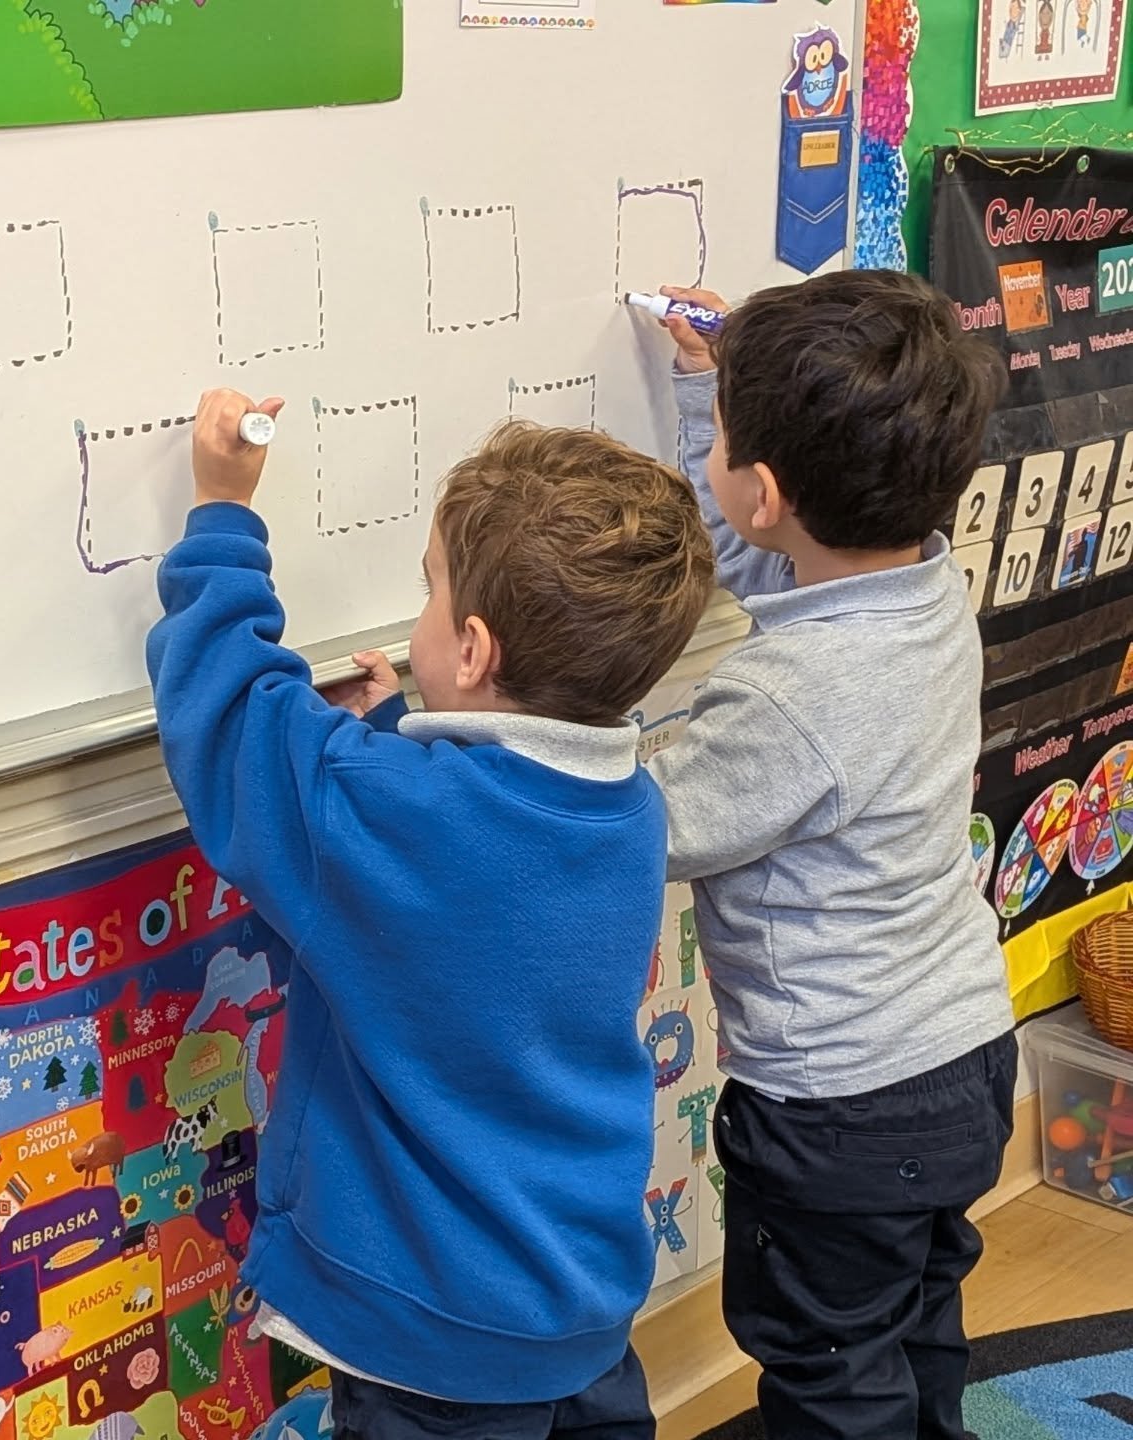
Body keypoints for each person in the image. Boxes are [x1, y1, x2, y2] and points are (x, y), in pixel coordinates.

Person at [147, 389, 713, 1436]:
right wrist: (408, 726)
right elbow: (484, 842)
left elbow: (228, 720)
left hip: (433, 1337)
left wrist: (223, 512)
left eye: (430, 593)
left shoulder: (388, 811)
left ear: (476, 650)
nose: (418, 618)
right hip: (576, 1300)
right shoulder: (624, 805)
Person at [642, 273, 1018, 1440]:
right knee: (912, 1323)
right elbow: (776, 560)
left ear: (763, 491)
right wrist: (717, 397)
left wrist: (509, 733)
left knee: (828, 1369)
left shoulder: (790, 694)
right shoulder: (923, 590)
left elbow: (654, 824)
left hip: (841, 1109)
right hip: (960, 1057)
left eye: (731, 453)